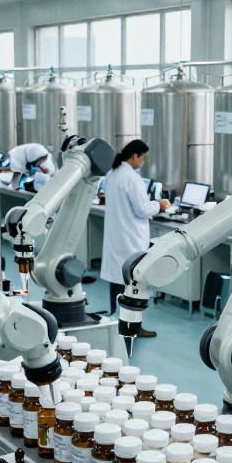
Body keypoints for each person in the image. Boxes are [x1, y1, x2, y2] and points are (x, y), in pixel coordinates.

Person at [101, 139, 170, 337]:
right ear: (134, 156)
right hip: (130, 236)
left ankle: (116, 317)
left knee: (117, 277)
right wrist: (160, 205)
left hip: (118, 234)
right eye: (143, 159)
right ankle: (132, 327)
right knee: (133, 280)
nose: (143, 163)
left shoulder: (113, 173)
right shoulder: (131, 178)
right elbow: (142, 209)